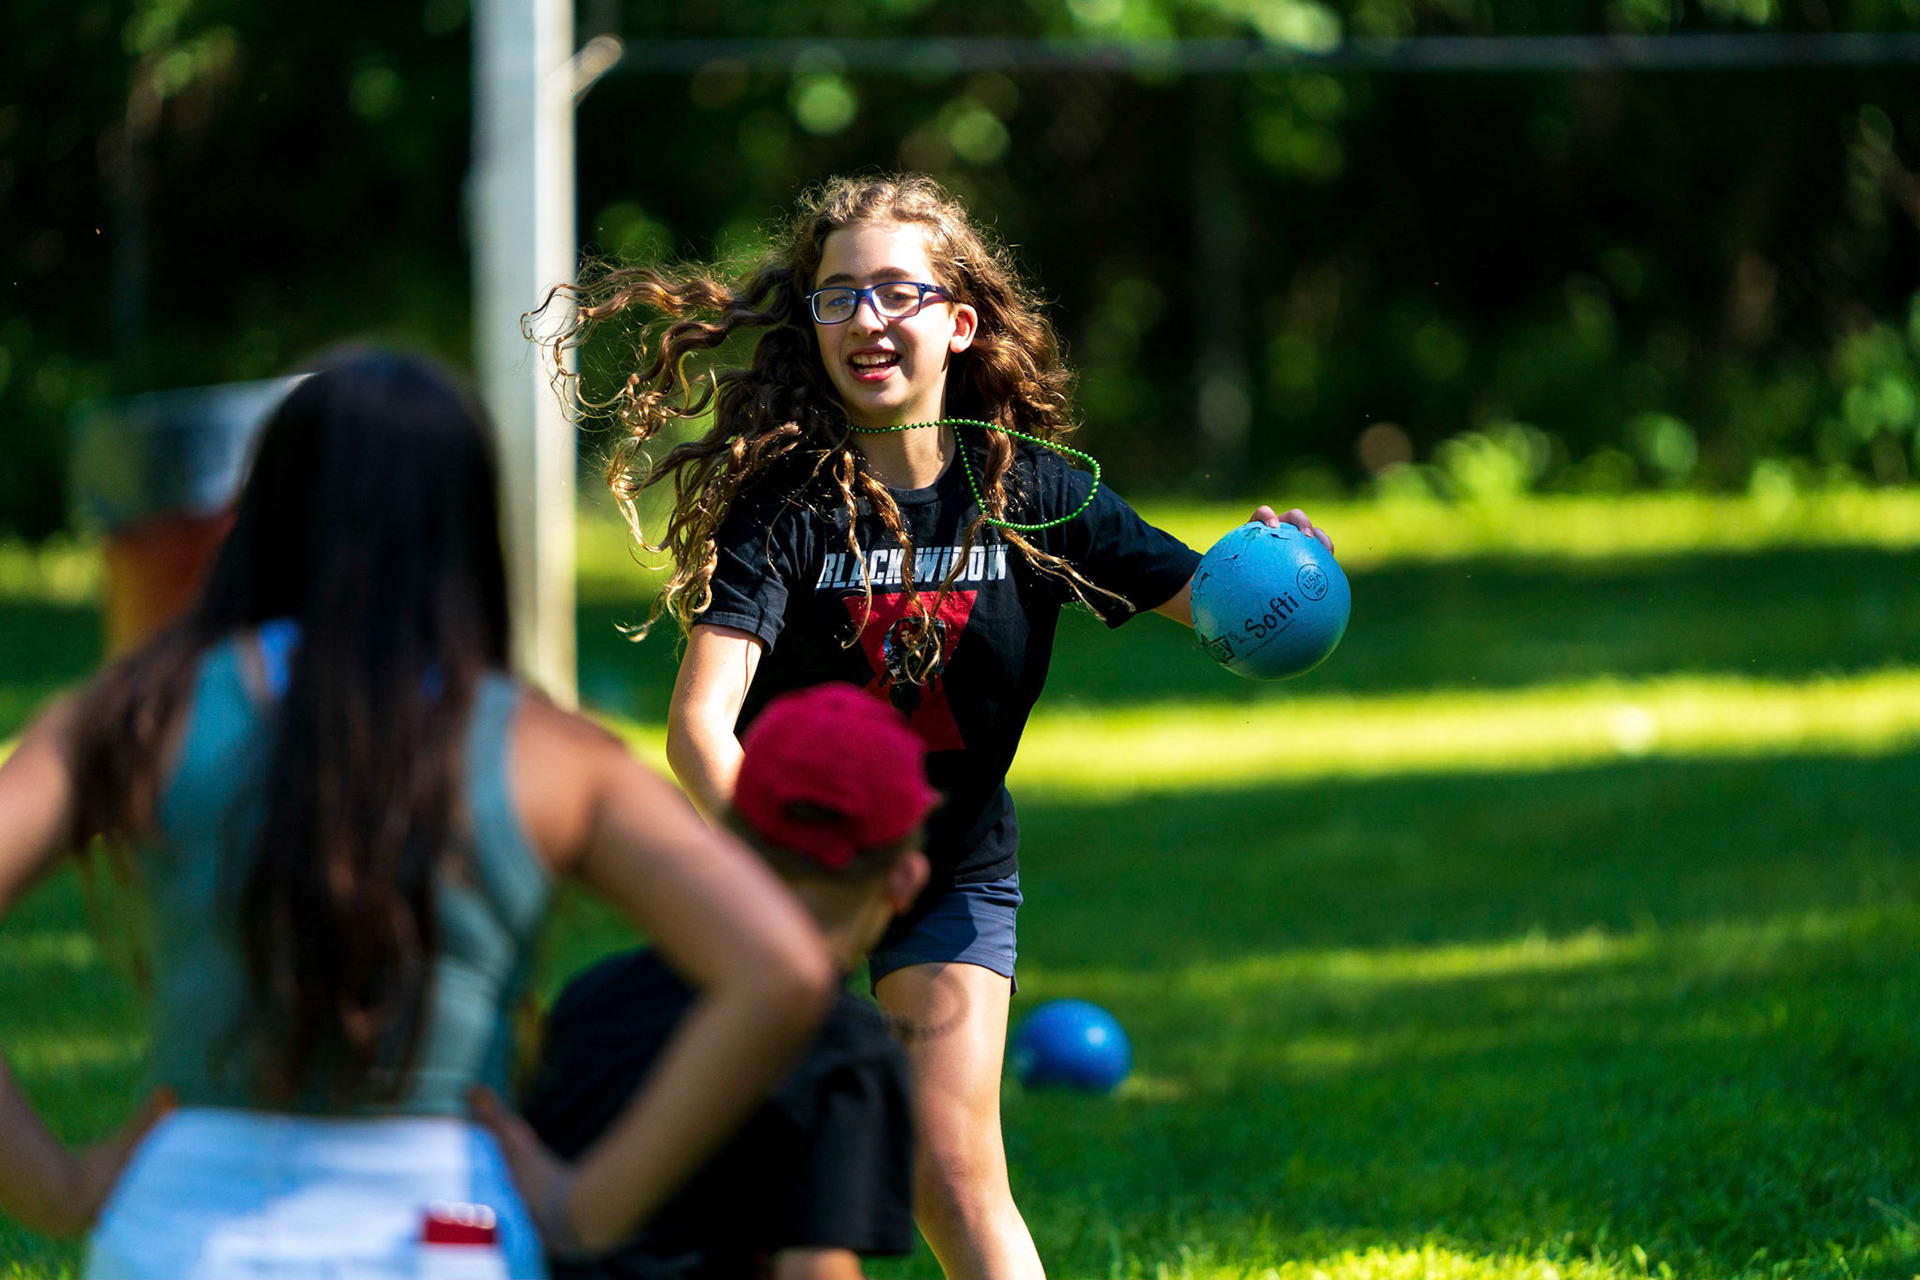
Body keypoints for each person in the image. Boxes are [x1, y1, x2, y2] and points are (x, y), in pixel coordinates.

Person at [542, 173, 1332, 1279]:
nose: (866, 318)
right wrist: (789, 871)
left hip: (950, 867)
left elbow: (1215, 603)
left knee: (952, 1174)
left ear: (959, 322)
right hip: (790, 874)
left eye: (897, 292)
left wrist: (1276, 567)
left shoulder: (1033, 491)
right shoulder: (788, 507)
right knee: (748, 1179)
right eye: (838, 296)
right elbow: (697, 728)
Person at [0, 350, 837, 1279]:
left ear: (267, 504)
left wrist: (51, 1187)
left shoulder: (140, 713)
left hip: (180, 1226)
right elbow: (783, 968)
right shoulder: (548, 753)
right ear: (470, 526)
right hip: (441, 1231)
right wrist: (587, 1203)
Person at [505, 682, 934, 1280]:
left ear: (726, 837)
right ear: (906, 880)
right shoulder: (845, 1050)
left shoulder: (592, 1000)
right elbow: (814, 1267)